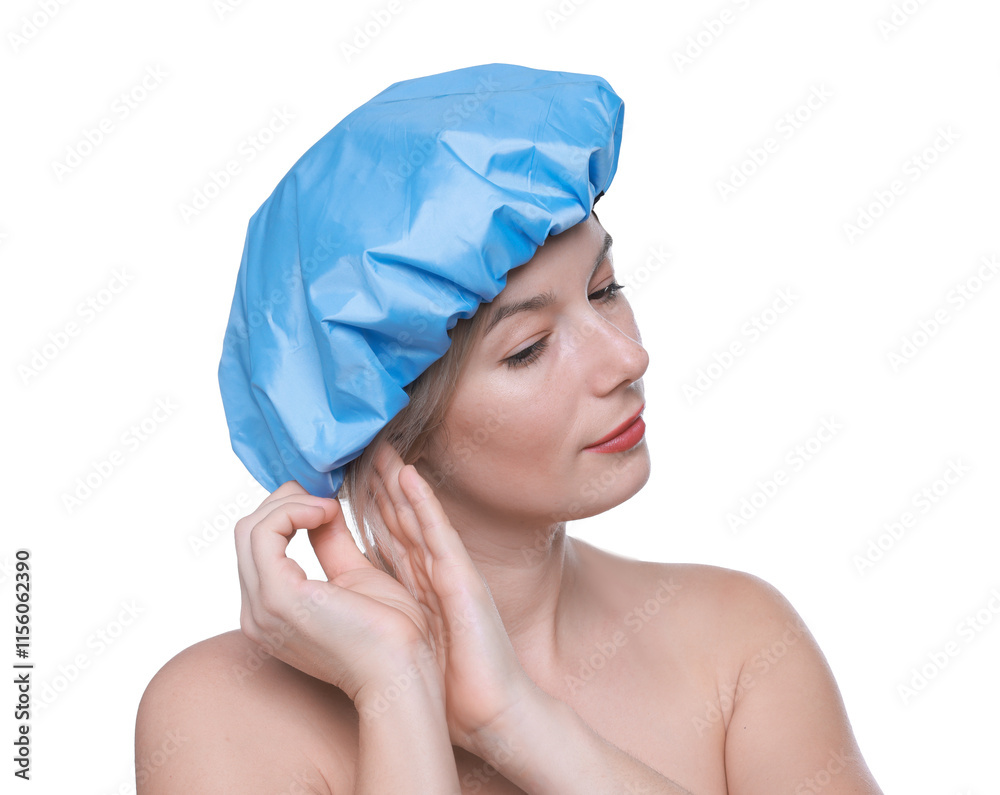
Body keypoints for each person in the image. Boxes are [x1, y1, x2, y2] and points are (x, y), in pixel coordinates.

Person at [135, 64, 883, 794]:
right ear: (387, 423)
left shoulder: (739, 644)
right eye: (528, 348)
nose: (628, 358)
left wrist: (517, 722)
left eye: (605, 289)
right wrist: (395, 686)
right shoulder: (220, 715)